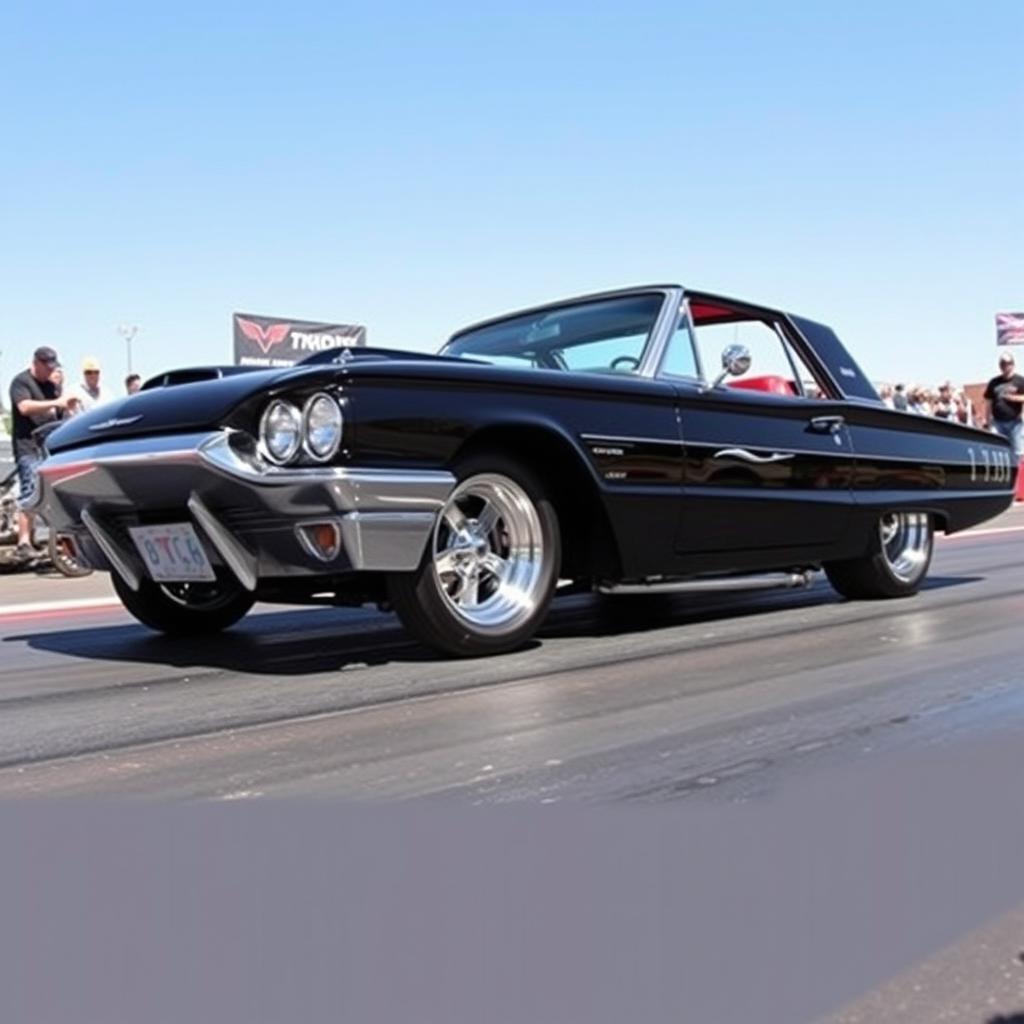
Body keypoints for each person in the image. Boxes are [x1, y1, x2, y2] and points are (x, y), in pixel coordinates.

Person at [8, 346, 76, 561]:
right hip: (27, 446)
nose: (50, 371)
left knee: (50, 493)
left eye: (53, 367)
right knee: (29, 490)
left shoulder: (52, 387)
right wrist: (57, 402)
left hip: (48, 446)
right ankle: (24, 542)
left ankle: (50, 538)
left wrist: (66, 405)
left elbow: (59, 414)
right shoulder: (21, 382)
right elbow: (24, 407)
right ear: (36, 363)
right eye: (47, 367)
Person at [984, 352, 1024, 457]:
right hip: (997, 423)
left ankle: (1019, 473)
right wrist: (987, 421)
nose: (1005, 366)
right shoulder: (994, 382)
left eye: (1008, 363)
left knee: (1017, 451)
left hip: (1015, 423)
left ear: (1013, 365)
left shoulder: (1020, 381)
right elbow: (988, 402)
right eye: (1002, 364)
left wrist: (1014, 398)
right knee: (996, 450)